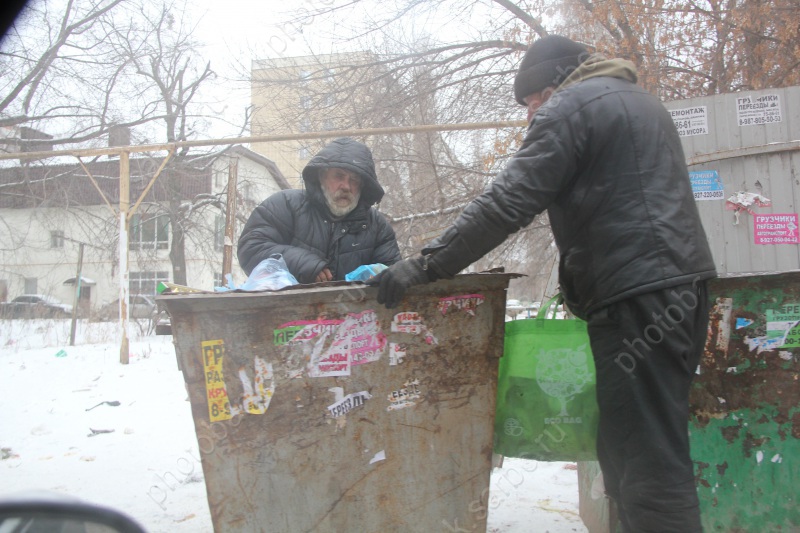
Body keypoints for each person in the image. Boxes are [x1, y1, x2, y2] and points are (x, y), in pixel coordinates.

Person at [368, 35, 717, 532]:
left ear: (554, 87)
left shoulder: (573, 107)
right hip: (680, 288)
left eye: (533, 102)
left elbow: (507, 203)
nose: (531, 115)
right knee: (629, 445)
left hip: (637, 297)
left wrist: (426, 265)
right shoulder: (641, 102)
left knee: (648, 461)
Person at [238, 137, 401, 283]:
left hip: (354, 314)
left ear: (363, 186)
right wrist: (303, 264)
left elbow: (393, 273)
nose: (346, 186)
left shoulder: (377, 226)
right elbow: (251, 248)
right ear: (321, 176)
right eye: (339, 176)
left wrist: (380, 276)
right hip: (288, 313)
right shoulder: (286, 205)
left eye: (354, 180)